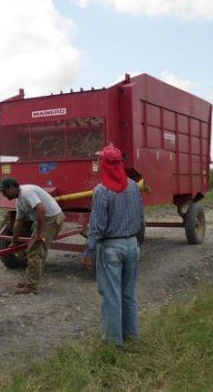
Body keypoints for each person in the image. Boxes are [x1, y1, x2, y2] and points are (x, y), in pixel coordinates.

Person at [82, 145, 145, 346]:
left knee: (111, 296)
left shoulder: (102, 191)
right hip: (132, 245)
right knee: (128, 294)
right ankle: (132, 336)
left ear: (105, 166)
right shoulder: (134, 186)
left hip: (111, 249)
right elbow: (141, 219)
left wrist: (89, 251)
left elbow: (97, 226)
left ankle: (113, 343)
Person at [0, 178, 66, 294]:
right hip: (45, 220)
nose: (4, 195)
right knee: (36, 251)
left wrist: (39, 234)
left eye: (5, 192)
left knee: (35, 251)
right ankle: (31, 280)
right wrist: (14, 242)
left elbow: (41, 210)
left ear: (12, 188)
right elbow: (18, 222)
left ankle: (32, 286)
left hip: (51, 219)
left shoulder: (26, 192)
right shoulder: (19, 200)